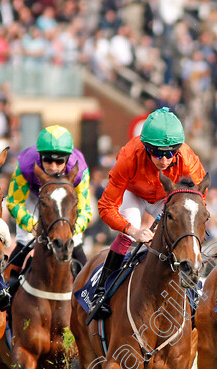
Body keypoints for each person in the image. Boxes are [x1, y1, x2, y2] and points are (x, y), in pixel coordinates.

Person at [87, 107, 207, 322]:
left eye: (170, 153)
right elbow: (105, 206)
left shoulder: (188, 160)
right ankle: (101, 292)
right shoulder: (129, 156)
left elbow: (197, 203)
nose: (163, 160)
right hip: (134, 194)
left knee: (185, 227)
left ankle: (194, 290)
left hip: (167, 197)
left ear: (178, 150)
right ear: (146, 148)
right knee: (127, 235)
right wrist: (133, 230)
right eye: (157, 153)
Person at [4, 124, 92, 293]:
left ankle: (88, 294)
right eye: (47, 160)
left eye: (59, 161)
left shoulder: (80, 170)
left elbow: (85, 210)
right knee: (24, 239)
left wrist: (71, 230)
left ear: (67, 160)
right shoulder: (25, 164)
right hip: (34, 197)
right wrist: (33, 225)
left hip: (65, 201)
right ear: (40, 157)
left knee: (77, 241)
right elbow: (14, 202)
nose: (53, 166)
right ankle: (6, 291)